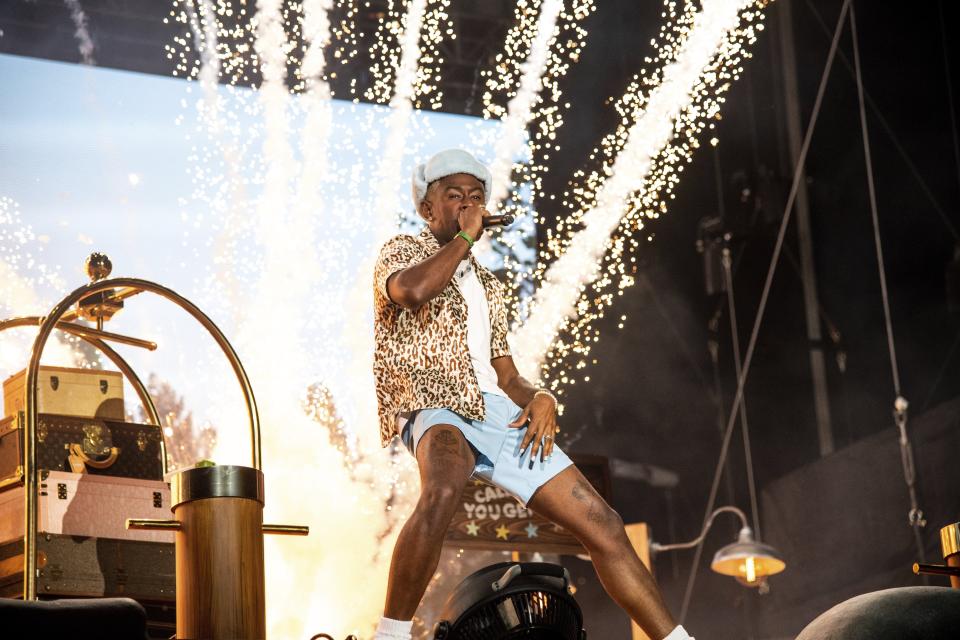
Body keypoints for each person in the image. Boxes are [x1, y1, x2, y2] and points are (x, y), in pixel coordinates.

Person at [372, 149, 693, 640]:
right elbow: (412, 292)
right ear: (426, 208)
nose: (466, 205)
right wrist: (464, 237)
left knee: (602, 522)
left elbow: (506, 374)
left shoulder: (488, 286)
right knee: (441, 489)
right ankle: (389, 636)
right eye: (454, 196)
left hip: (494, 409)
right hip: (433, 398)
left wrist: (541, 396)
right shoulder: (401, 251)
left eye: (476, 197)